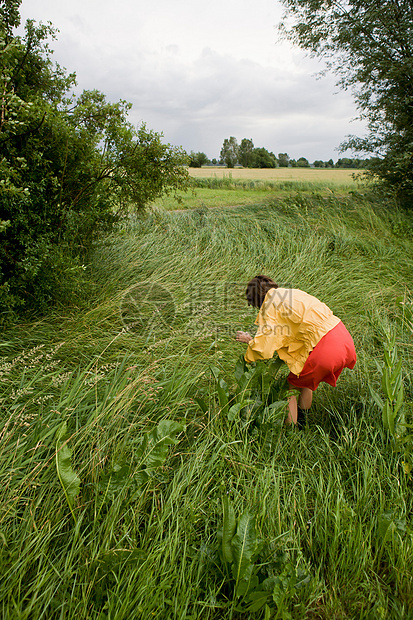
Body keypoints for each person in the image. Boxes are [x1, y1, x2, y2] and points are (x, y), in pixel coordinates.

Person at [236, 275, 357, 427]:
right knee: (303, 378)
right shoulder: (292, 293)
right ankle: (304, 421)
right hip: (343, 338)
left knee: (289, 388)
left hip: (326, 348)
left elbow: (264, 345)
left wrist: (250, 342)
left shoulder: (270, 304)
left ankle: (291, 432)